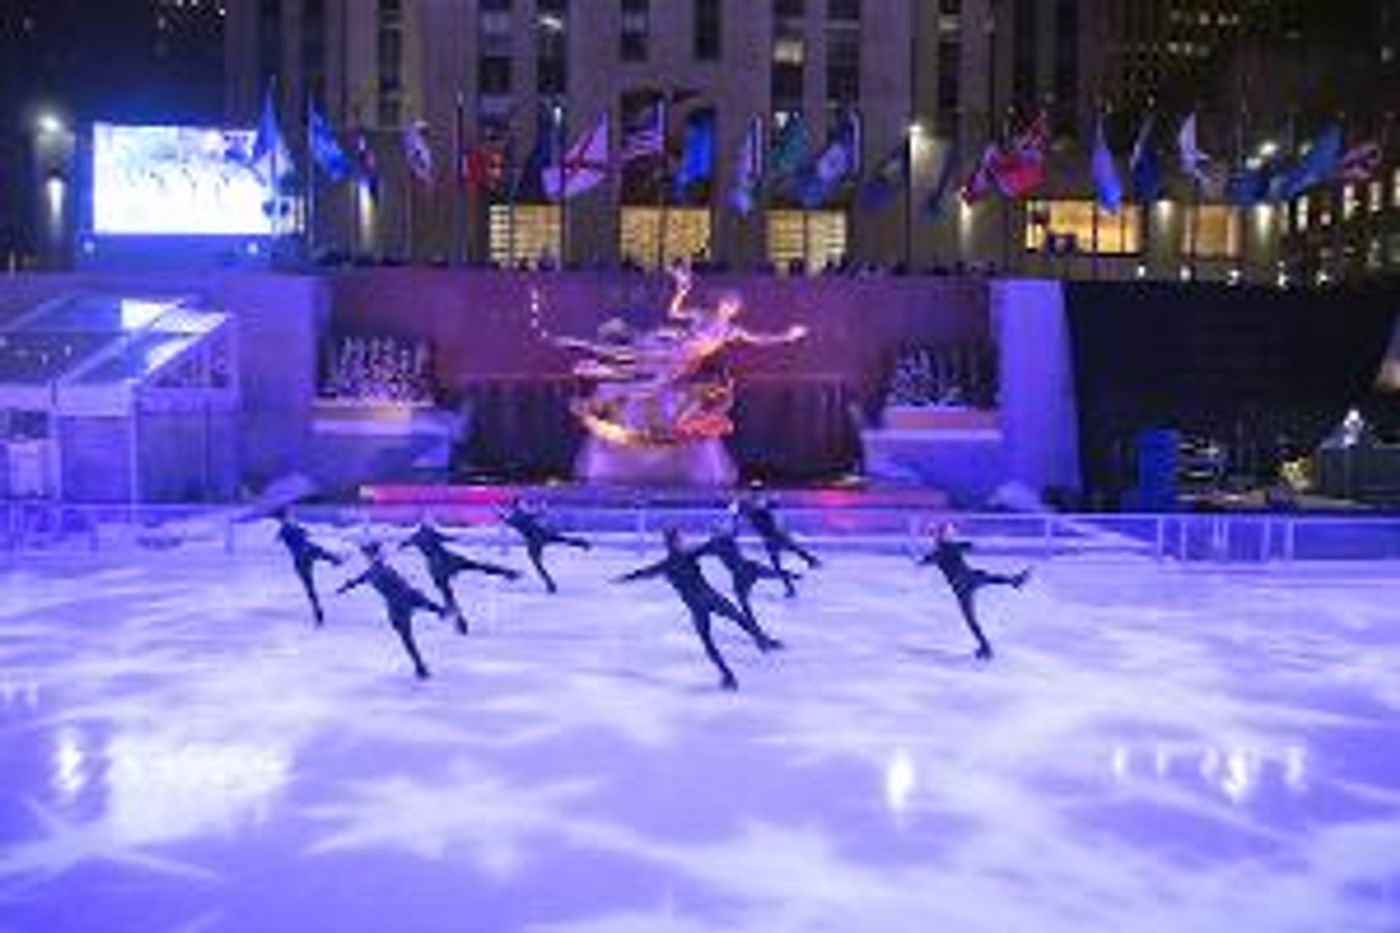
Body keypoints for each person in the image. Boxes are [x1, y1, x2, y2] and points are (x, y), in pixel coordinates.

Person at [615, 529, 783, 691]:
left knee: (709, 641)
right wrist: (720, 538)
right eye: (681, 539)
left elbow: (642, 574)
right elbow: (709, 546)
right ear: (675, 542)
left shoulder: (665, 565)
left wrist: (623, 579)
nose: (684, 541)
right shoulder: (688, 555)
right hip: (711, 598)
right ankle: (761, 642)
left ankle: (728, 674)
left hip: (696, 606)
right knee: (739, 620)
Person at [336, 541, 450, 680]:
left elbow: (397, 585)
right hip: (401, 602)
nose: (372, 557)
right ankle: (442, 612)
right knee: (410, 631)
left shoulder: (377, 571)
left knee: (407, 637)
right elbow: (358, 581)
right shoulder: (376, 571)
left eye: (371, 555)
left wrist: (345, 587)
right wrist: (345, 587)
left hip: (398, 605)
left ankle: (420, 666)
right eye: (372, 555)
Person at [917, 523, 1030, 660]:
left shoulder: (941, 549)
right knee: (988, 577)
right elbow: (965, 546)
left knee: (972, 619)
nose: (952, 535)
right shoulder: (947, 548)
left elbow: (929, 559)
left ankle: (986, 647)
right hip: (970, 579)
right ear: (945, 536)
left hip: (963, 586)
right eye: (950, 533)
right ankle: (1015, 581)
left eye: (952, 533)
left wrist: (926, 558)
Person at [400, 523, 521, 634]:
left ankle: (460, 622)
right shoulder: (431, 533)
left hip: (436, 567)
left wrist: (403, 545)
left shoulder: (415, 537)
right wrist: (455, 538)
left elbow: (404, 544)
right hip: (448, 559)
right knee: (476, 566)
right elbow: (447, 538)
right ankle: (507, 573)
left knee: (448, 595)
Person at [696, 520, 797, 633]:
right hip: (746, 570)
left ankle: (791, 578)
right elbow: (733, 529)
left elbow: (698, 551)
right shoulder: (721, 541)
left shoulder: (715, 543)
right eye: (717, 530)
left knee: (769, 576)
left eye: (718, 530)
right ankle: (791, 577)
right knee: (770, 575)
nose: (720, 532)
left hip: (744, 572)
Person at [501, 499, 591, 594]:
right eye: (522, 504)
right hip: (541, 535)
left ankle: (550, 584)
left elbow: (515, 521)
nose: (525, 505)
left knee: (538, 563)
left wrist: (504, 518)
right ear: (517, 506)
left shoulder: (518, 515)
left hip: (535, 540)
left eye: (524, 503)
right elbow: (532, 515)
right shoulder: (520, 515)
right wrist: (541, 510)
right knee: (562, 540)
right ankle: (583, 543)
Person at [737, 498, 821, 597]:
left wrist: (766, 505)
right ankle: (791, 587)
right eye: (742, 511)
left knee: (793, 551)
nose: (743, 513)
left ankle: (810, 562)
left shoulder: (758, 512)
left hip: (776, 537)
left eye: (743, 510)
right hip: (771, 540)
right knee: (780, 563)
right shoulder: (751, 515)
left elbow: (770, 508)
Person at [275, 512, 344, 627]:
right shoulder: (286, 529)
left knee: (315, 552)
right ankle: (317, 611)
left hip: (304, 557)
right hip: (302, 558)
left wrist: (300, 532)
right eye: (289, 518)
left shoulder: (293, 528)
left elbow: (306, 535)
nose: (292, 519)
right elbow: (283, 537)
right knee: (310, 585)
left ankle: (334, 559)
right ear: (285, 519)